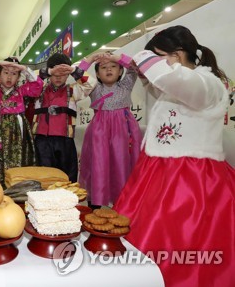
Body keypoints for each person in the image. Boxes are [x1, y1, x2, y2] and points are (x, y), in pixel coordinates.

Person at [114, 26, 234, 287]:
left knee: (179, 241)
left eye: (161, 56)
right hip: (160, 171)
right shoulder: (183, 85)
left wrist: (142, 56)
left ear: (178, 54)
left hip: (190, 181)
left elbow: (173, 80)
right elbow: (159, 84)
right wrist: (126, 61)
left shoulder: (207, 84)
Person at [78, 52, 142, 208]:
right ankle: (95, 203)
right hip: (99, 132)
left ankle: (124, 203)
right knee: (99, 164)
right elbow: (78, 73)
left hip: (124, 131)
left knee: (122, 163)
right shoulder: (93, 87)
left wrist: (117, 58)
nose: (109, 70)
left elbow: (134, 67)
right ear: (97, 74)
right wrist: (91, 58)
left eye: (113, 66)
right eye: (104, 67)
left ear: (120, 71)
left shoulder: (126, 84)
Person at [0, 57, 43, 186]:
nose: (9, 77)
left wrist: (24, 69)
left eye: (14, 74)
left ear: (19, 77)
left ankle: (16, 190)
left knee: (19, 161)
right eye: (6, 72)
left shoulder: (22, 91)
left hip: (18, 133)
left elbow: (38, 85)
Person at [33, 53, 96, 182]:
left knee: (68, 176)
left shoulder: (73, 91)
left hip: (65, 140)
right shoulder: (38, 89)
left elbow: (91, 84)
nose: (58, 77)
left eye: (63, 74)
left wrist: (74, 70)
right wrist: (48, 71)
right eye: (55, 74)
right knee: (43, 177)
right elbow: (27, 78)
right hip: (42, 140)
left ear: (68, 75)